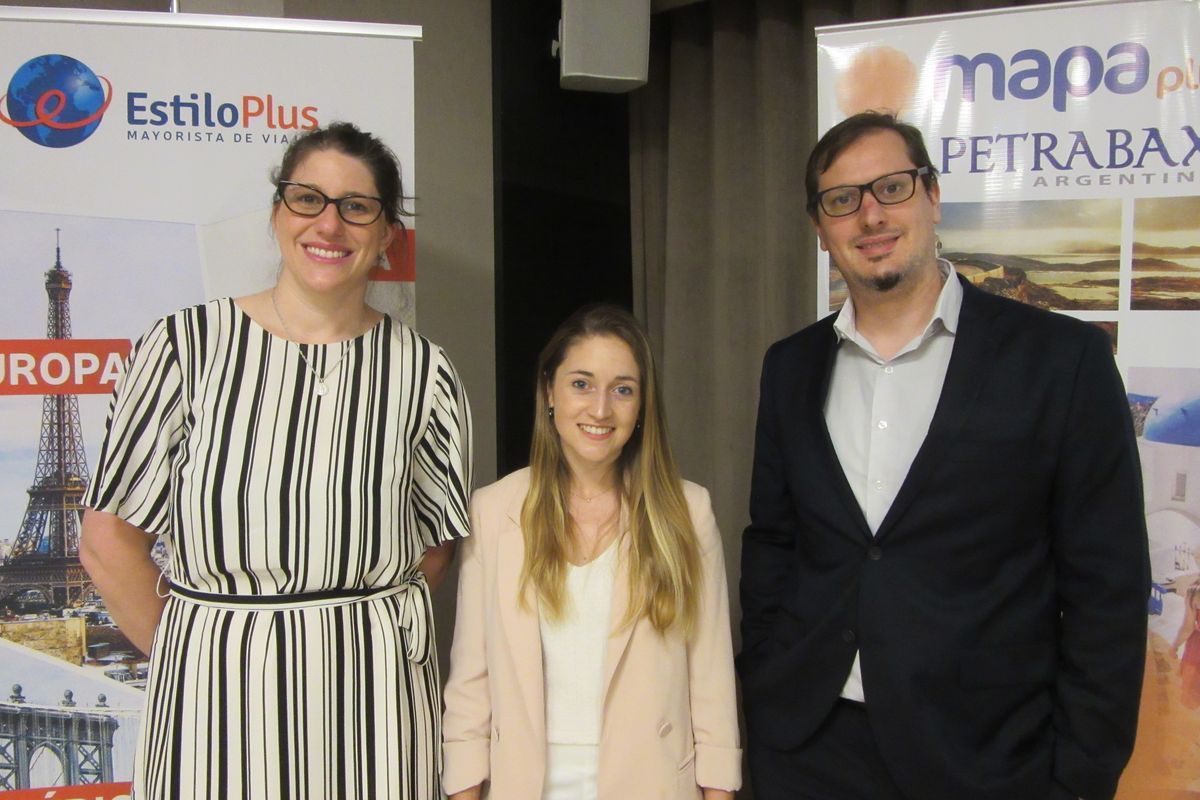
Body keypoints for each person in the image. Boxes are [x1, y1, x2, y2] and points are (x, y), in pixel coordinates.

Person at [738, 111, 1149, 800]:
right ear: (821, 228)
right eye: (842, 200)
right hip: (809, 749)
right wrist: (766, 681)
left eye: (890, 188)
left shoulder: (1062, 362)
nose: (869, 215)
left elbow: (1106, 587)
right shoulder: (790, 367)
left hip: (985, 758)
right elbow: (774, 543)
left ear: (931, 196)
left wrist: (1080, 776)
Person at [80, 122, 471, 799]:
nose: (330, 223)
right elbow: (109, 541)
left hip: (375, 700)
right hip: (218, 700)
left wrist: (347, 628)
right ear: (276, 214)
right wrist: (200, 656)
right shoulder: (184, 349)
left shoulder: (424, 373)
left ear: (385, 236)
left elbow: (433, 548)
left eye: (357, 206)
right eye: (308, 198)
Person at [442, 304, 740, 799]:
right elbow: (471, 687)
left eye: (622, 389)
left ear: (642, 407)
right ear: (549, 393)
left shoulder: (688, 512)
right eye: (581, 384)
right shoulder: (494, 512)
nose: (600, 410)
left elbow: (712, 687)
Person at [1175, 583, 1200, 709]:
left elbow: (1187, 627)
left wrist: (1173, 647)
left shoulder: (1195, 591)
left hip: (1196, 654)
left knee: (1192, 700)